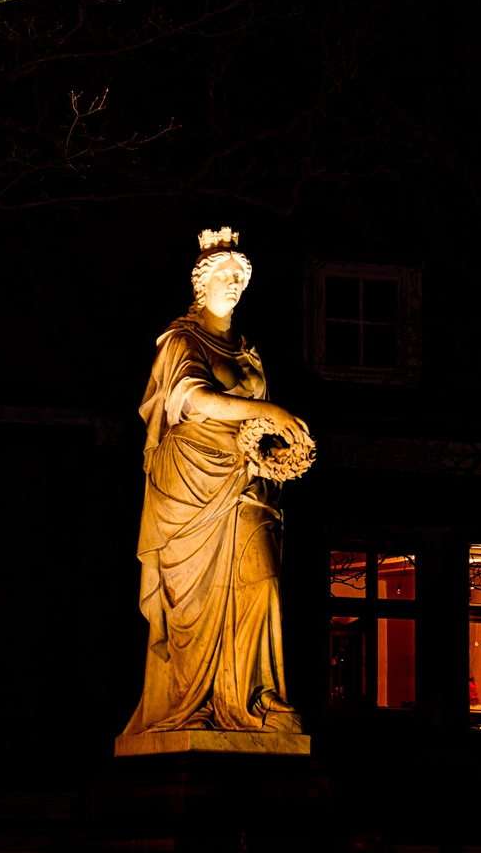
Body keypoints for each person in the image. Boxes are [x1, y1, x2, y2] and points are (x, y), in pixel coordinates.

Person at [121, 228, 311, 736]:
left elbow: (250, 423)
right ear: (201, 285)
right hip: (189, 486)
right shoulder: (182, 341)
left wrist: (274, 448)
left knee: (264, 582)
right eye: (223, 276)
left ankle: (257, 696)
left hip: (247, 482)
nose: (233, 284)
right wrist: (268, 408)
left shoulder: (248, 351)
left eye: (239, 277)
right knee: (196, 605)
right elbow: (193, 399)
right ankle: (191, 702)